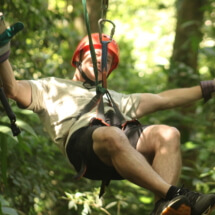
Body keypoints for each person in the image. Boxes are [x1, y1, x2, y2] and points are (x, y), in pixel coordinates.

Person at [0, 15, 215, 215]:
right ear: (78, 59)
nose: (102, 61)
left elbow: (165, 99)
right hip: (84, 147)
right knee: (111, 134)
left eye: (108, 61)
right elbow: (13, 89)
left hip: (121, 144)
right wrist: (3, 53)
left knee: (168, 133)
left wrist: (210, 86)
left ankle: (165, 207)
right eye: (96, 54)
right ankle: (175, 194)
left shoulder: (117, 98)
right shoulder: (51, 87)